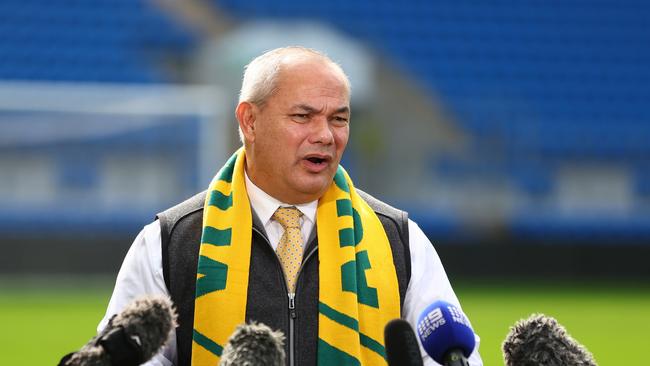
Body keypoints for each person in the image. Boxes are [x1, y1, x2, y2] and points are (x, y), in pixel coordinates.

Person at [99, 46, 483, 366]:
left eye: (339, 119)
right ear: (250, 121)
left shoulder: (400, 241)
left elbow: (455, 355)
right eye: (303, 116)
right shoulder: (169, 242)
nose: (325, 135)